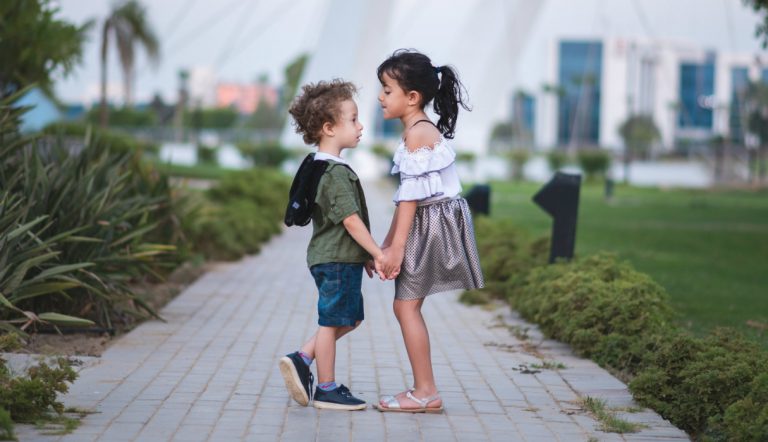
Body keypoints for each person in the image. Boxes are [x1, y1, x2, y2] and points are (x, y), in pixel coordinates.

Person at [374, 49, 484, 413]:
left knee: (405, 306)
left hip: (433, 223)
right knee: (406, 305)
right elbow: (407, 196)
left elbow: (412, 201)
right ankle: (424, 389)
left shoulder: (418, 134)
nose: (380, 97)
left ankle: (426, 392)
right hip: (430, 220)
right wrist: (386, 245)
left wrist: (395, 248)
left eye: (387, 90)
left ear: (412, 97)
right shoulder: (418, 131)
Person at [279, 79, 384, 411]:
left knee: (349, 319)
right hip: (335, 260)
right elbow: (351, 221)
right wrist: (379, 253)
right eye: (353, 119)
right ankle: (326, 387)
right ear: (328, 127)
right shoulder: (334, 173)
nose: (360, 125)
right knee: (331, 321)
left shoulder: (325, 166)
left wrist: (364, 255)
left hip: (339, 258)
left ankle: (302, 357)